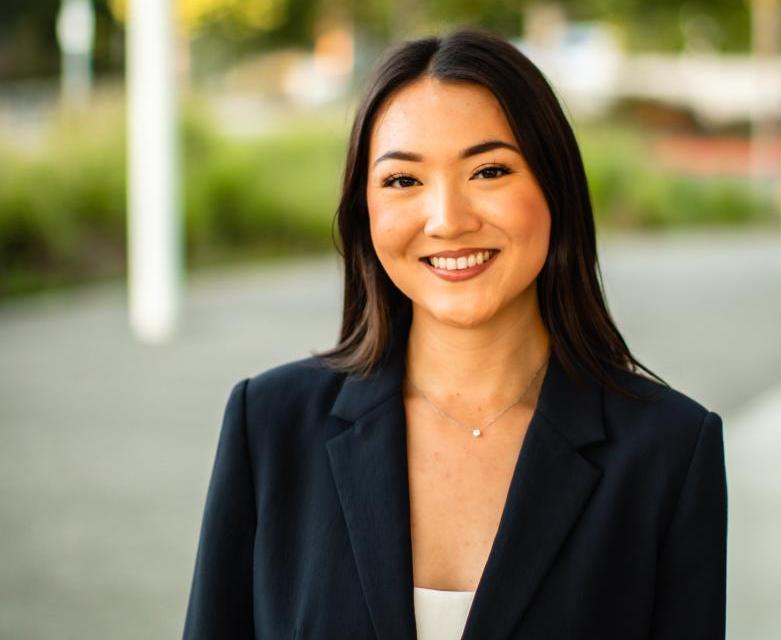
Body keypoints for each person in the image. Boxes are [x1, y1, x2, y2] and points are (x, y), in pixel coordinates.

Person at [183, 27, 727, 640]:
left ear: (555, 188)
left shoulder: (669, 451)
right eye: (403, 181)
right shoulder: (271, 425)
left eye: (489, 170)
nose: (448, 220)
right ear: (365, 212)